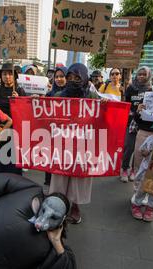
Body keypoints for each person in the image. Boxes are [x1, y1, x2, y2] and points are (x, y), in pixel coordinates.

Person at [49, 63, 100, 224]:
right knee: (60, 175)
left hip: (83, 144)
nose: (72, 80)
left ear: (84, 78)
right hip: (62, 143)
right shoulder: (58, 96)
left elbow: (100, 117)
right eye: (69, 77)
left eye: (77, 78)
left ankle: (75, 205)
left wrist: (104, 106)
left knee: (79, 176)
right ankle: (58, 204)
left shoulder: (92, 97)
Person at [120, 66, 153, 183]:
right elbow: (125, 104)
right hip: (131, 122)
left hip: (144, 123)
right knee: (129, 147)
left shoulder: (151, 90)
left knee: (139, 149)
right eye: (140, 74)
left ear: (148, 76)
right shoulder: (130, 88)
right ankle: (124, 169)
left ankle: (134, 170)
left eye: (144, 74)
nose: (142, 76)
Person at [0, 63, 26, 175]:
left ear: (15, 76)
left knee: (15, 162)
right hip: (1, 131)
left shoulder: (20, 91)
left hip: (15, 131)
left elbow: (26, 112)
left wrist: (19, 100)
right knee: (1, 162)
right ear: (1, 76)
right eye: (4, 74)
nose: (7, 77)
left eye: (10, 74)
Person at [44, 66, 68, 189]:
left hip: (68, 135)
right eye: (56, 77)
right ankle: (49, 187)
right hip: (52, 133)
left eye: (62, 76)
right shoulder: (49, 95)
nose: (59, 79)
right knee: (51, 159)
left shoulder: (73, 94)